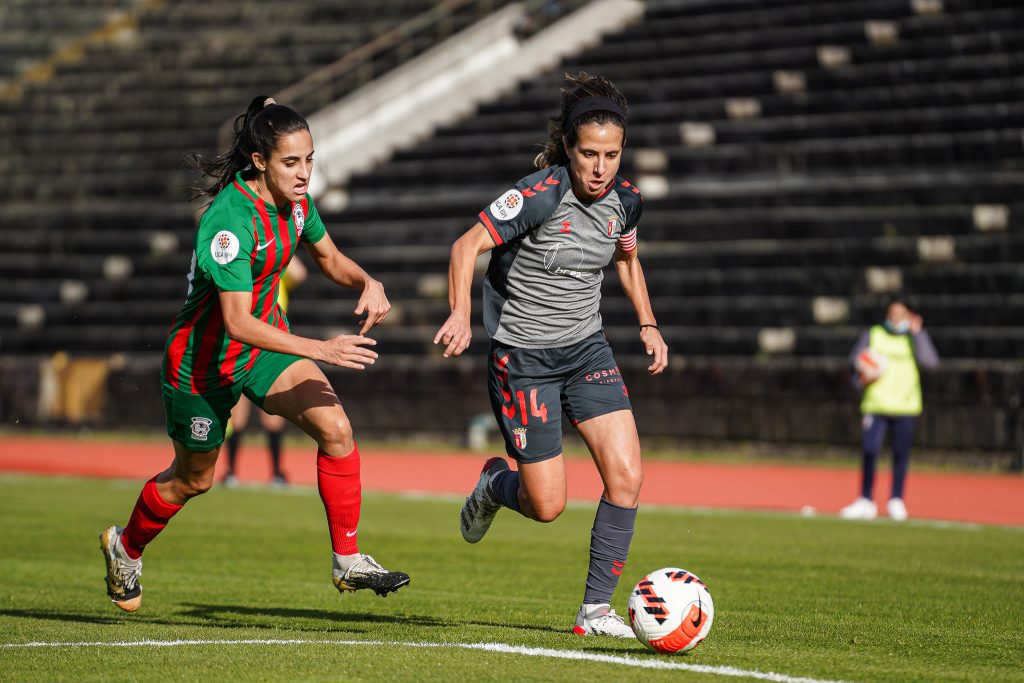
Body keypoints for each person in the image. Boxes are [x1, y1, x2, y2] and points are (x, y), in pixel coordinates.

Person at [99, 96, 410, 612]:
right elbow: (238, 323)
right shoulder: (228, 223)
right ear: (260, 161)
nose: (305, 172)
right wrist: (320, 347)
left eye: (310, 159)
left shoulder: (298, 204)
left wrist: (368, 280)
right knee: (194, 480)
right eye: (292, 162)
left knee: (337, 430)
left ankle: (348, 560)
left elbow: (329, 258)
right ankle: (125, 548)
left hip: (263, 353)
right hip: (202, 366)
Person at [434, 72, 668, 637]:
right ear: (568, 147)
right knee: (547, 506)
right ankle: (494, 485)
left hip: (588, 350)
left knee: (628, 477)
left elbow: (627, 259)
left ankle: (594, 612)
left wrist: (648, 323)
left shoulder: (626, 203)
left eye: (611, 155)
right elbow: (466, 246)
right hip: (525, 361)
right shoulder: (540, 194)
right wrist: (461, 313)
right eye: (589, 153)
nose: (600, 168)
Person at [840, 296, 939, 521]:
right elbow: (855, 363)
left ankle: (896, 499)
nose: (895, 318)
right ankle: (865, 499)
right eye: (892, 313)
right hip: (876, 404)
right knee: (870, 450)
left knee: (900, 454)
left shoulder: (913, 338)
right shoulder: (874, 334)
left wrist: (918, 333)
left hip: (905, 406)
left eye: (900, 314)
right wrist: (861, 378)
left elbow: (930, 362)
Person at [222, 258, 308, 488]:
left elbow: (299, 273)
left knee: (273, 411)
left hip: (272, 341)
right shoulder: (251, 267)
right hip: (246, 338)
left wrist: (279, 254)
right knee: (237, 410)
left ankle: (276, 471)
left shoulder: (276, 270)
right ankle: (231, 470)